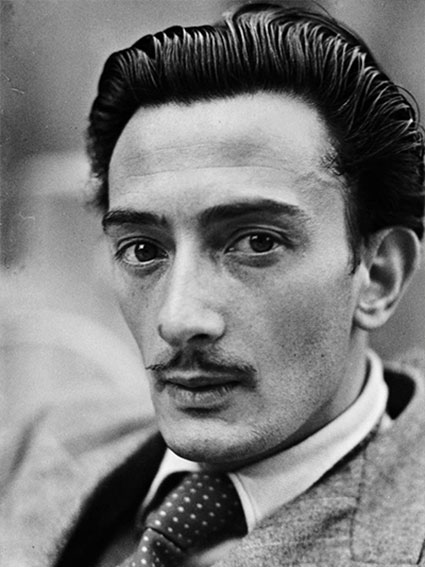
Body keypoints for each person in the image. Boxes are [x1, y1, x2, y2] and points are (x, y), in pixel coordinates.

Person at [2, 3, 424, 566]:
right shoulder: (45, 447)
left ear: (379, 276)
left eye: (256, 243)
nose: (178, 319)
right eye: (144, 250)